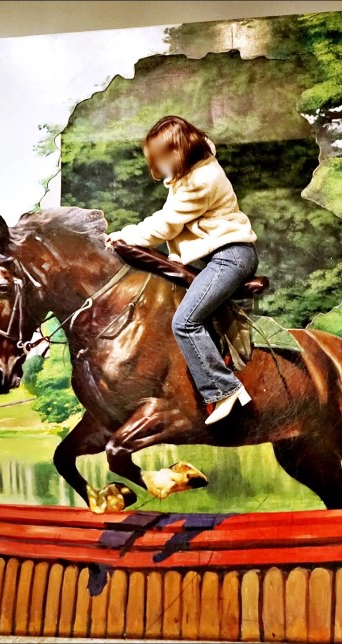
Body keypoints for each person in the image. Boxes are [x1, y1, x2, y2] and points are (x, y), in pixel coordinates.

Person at [105, 115, 259, 425]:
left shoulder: (200, 181)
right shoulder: (190, 174)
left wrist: (126, 235)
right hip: (213, 257)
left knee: (185, 322)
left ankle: (224, 390)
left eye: (161, 160)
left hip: (230, 256)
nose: (159, 168)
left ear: (177, 151)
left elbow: (166, 223)